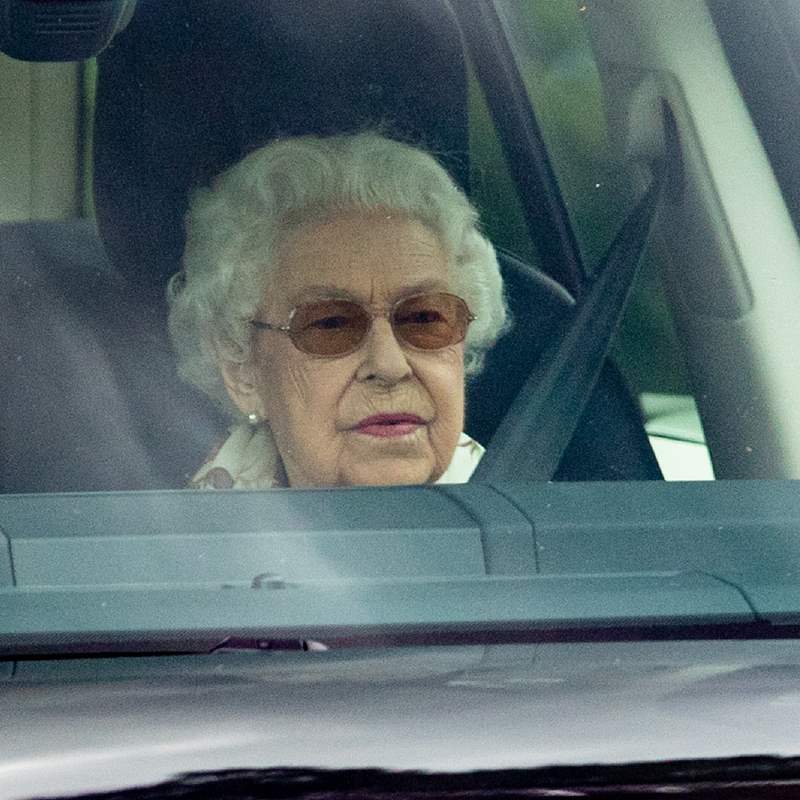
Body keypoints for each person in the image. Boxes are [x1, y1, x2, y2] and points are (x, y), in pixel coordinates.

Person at [167, 132, 509, 489]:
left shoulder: (537, 516)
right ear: (243, 371)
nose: (389, 367)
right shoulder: (179, 543)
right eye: (331, 324)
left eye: (424, 318)